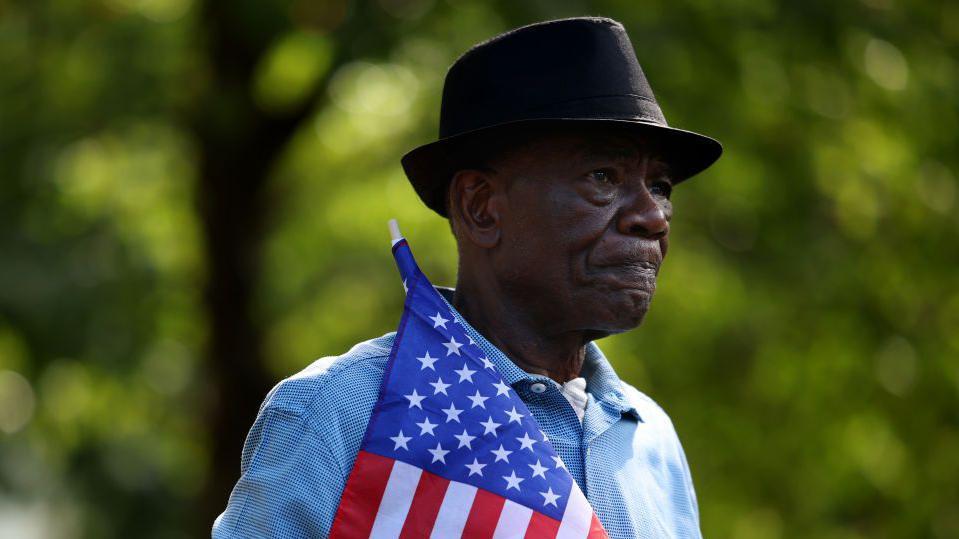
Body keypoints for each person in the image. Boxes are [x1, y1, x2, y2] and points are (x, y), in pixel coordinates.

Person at [213, 16, 722, 538]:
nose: (653, 216)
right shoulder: (337, 414)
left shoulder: (650, 436)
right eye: (603, 177)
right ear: (480, 207)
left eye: (660, 186)